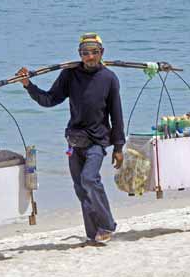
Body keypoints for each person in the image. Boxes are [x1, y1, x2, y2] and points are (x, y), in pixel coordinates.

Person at [16, 33, 125, 243]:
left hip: (97, 140)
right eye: (85, 53)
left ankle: (107, 225)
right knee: (80, 188)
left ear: (102, 53)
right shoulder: (70, 74)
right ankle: (94, 234)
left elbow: (116, 114)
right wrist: (27, 84)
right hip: (74, 141)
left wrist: (119, 147)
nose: (90, 57)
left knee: (89, 179)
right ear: (80, 54)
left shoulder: (109, 78)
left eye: (94, 53)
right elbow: (49, 100)